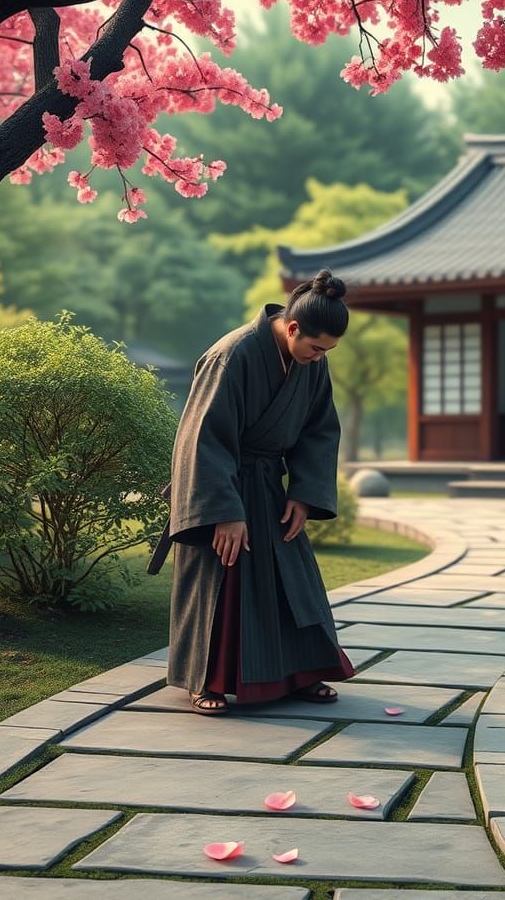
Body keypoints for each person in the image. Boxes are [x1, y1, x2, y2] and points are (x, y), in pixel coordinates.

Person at [157, 269, 356, 715]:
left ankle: (299, 673)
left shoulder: (311, 363)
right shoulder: (231, 356)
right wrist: (224, 512)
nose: (320, 356)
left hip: (269, 487)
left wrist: (303, 493)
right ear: (291, 328)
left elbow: (320, 431)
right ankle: (205, 680)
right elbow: (201, 437)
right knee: (222, 581)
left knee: (293, 582)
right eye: (316, 346)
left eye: (328, 351)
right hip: (222, 485)